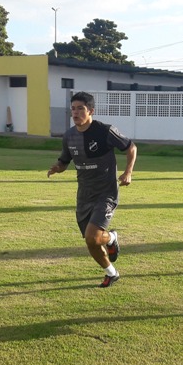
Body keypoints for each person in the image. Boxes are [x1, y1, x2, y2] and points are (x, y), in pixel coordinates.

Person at [47, 91, 137, 288]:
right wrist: (57, 168)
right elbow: (64, 160)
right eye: (73, 108)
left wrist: (128, 172)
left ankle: (111, 237)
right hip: (84, 195)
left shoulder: (105, 131)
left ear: (91, 111)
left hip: (106, 193)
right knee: (92, 242)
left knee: (92, 236)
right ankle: (111, 272)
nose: (76, 112)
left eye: (81, 108)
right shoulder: (70, 136)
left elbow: (131, 147)